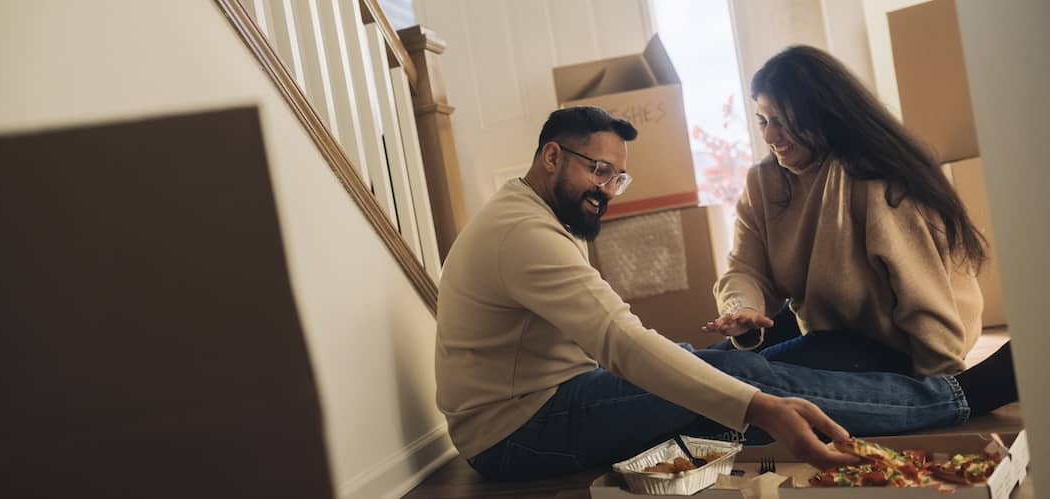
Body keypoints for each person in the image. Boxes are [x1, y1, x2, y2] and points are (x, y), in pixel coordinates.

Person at [435, 105, 1017, 481]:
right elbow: (620, 341)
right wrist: (759, 404)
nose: (607, 190)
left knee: (723, 372)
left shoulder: (540, 215)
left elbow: (620, 345)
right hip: (520, 432)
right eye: (598, 170)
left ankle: (885, 390)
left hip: (548, 403)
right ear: (552, 156)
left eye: (618, 176)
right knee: (745, 389)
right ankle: (955, 400)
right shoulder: (525, 233)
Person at [702, 45, 1006, 380]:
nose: (771, 136)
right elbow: (745, 267)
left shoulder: (874, 179)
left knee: (742, 380)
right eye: (763, 120)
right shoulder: (763, 181)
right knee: (704, 368)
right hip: (830, 326)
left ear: (824, 117)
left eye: (784, 122)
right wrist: (742, 308)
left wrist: (943, 387)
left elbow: (924, 298)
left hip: (896, 342)